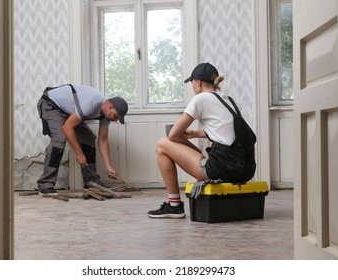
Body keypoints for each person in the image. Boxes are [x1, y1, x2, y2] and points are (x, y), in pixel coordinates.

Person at [147, 62, 256, 218]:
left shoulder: (200, 99)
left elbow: (173, 135)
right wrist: (197, 134)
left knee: (162, 144)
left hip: (222, 169)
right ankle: (201, 162)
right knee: (176, 144)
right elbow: (228, 130)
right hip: (246, 170)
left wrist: (194, 150)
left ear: (197, 82)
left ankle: (174, 206)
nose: (192, 87)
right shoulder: (227, 99)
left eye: (192, 83)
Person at [36, 84, 128, 195]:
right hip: (51, 105)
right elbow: (67, 127)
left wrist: (108, 166)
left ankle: (91, 182)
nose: (115, 120)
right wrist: (79, 154)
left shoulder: (105, 115)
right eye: (116, 117)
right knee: (59, 140)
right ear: (110, 107)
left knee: (88, 139)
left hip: (68, 111)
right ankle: (45, 185)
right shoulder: (91, 103)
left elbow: (103, 140)